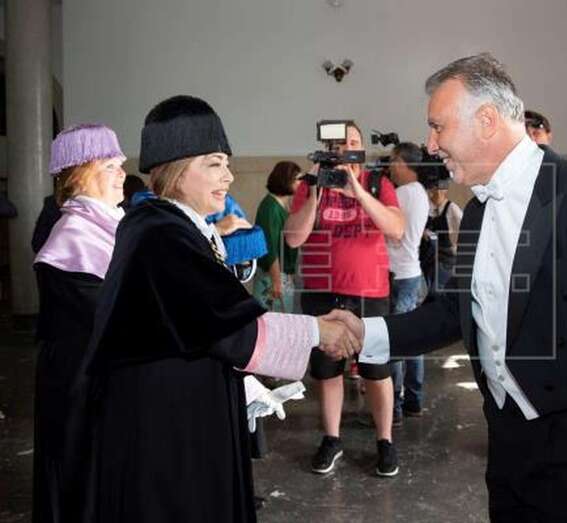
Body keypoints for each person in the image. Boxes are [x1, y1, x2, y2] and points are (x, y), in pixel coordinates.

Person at [327, 54, 567, 522]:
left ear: (486, 120)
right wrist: (365, 333)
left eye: (438, 127)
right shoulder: (481, 210)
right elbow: (453, 311)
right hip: (507, 445)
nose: (430, 143)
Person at [83, 95, 358, 523]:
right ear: (176, 168)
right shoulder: (159, 235)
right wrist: (318, 332)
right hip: (166, 425)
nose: (229, 175)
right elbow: (226, 326)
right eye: (214, 163)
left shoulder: (170, 226)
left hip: (178, 408)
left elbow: (215, 307)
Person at [285, 121, 405, 477]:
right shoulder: (309, 186)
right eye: (339, 144)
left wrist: (358, 194)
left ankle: (385, 441)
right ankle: (332, 438)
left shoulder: (376, 183)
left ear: (362, 149)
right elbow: (293, 239)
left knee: (375, 370)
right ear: (328, 150)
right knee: (327, 371)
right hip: (322, 292)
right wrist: (315, 194)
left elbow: (396, 229)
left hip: (369, 292)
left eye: (353, 143)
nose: (346, 149)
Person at [32, 123, 127, 523]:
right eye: (110, 166)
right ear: (79, 174)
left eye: (121, 164)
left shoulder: (107, 223)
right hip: (79, 381)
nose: (123, 173)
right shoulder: (73, 235)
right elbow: (108, 316)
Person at [386, 142, 430, 424]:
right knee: (414, 340)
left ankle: (395, 408)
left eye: (392, 161)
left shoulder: (400, 194)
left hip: (397, 274)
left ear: (402, 163)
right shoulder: (421, 193)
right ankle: (414, 400)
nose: (389, 166)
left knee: (396, 341)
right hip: (412, 272)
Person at [254, 160, 302, 312]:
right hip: (273, 278)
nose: (301, 184)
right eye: (298, 179)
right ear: (286, 180)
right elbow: (270, 247)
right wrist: (276, 281)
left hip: (281, 276)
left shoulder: (282, 205)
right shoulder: (270, 207)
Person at [423, 177, 463, 296]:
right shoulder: (430, 209)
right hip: (430, 258)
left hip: (446, 260)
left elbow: (464, 228)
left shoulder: (452, 208)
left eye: (433, 191)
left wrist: (457, 248)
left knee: (440, 293)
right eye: (430, 191)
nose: (431, 194)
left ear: (442, 192)